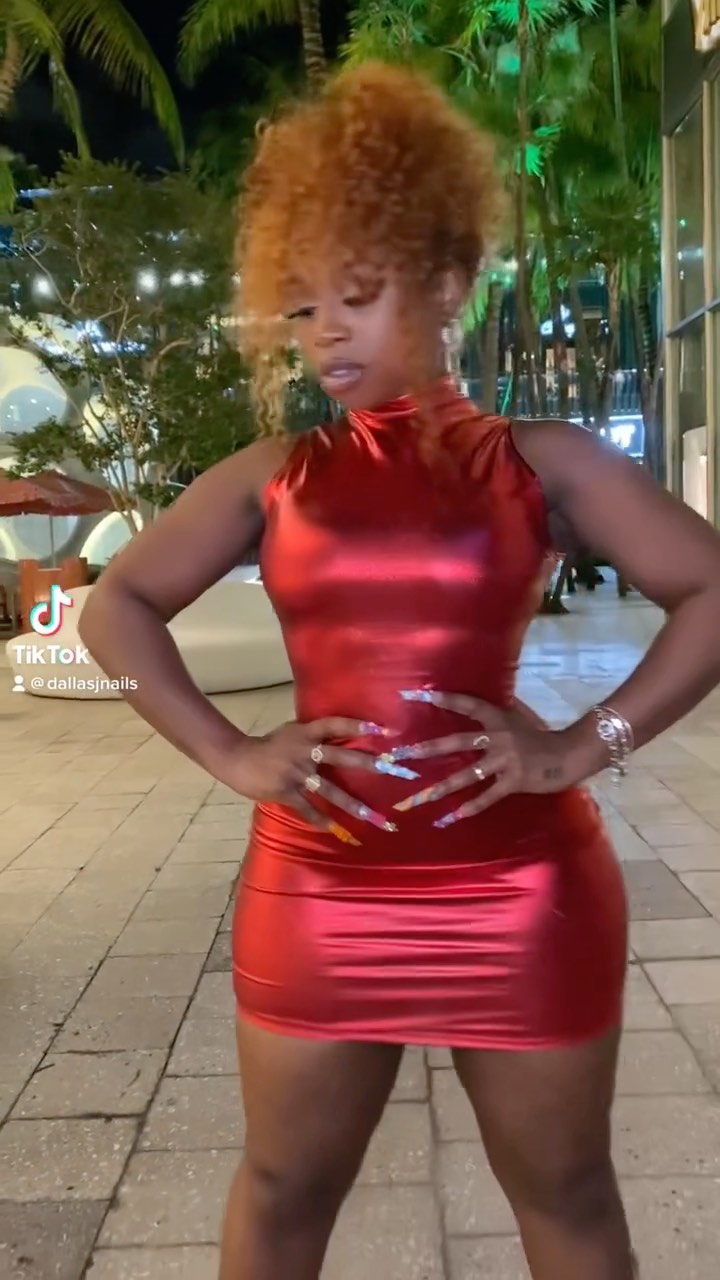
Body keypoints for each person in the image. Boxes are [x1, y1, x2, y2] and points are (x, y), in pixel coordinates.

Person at [79, 62, 720, 1280]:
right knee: (281, 1191)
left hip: (521, 890)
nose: (325, 331)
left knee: (569, 1197)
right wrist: (228, 750)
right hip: (317, 885)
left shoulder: (542, 462)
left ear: (448, 285)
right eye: (303, 305)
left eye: (358, 297)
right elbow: (117, 607)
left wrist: (584, 743)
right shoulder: (277, 475)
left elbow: (711, 588)